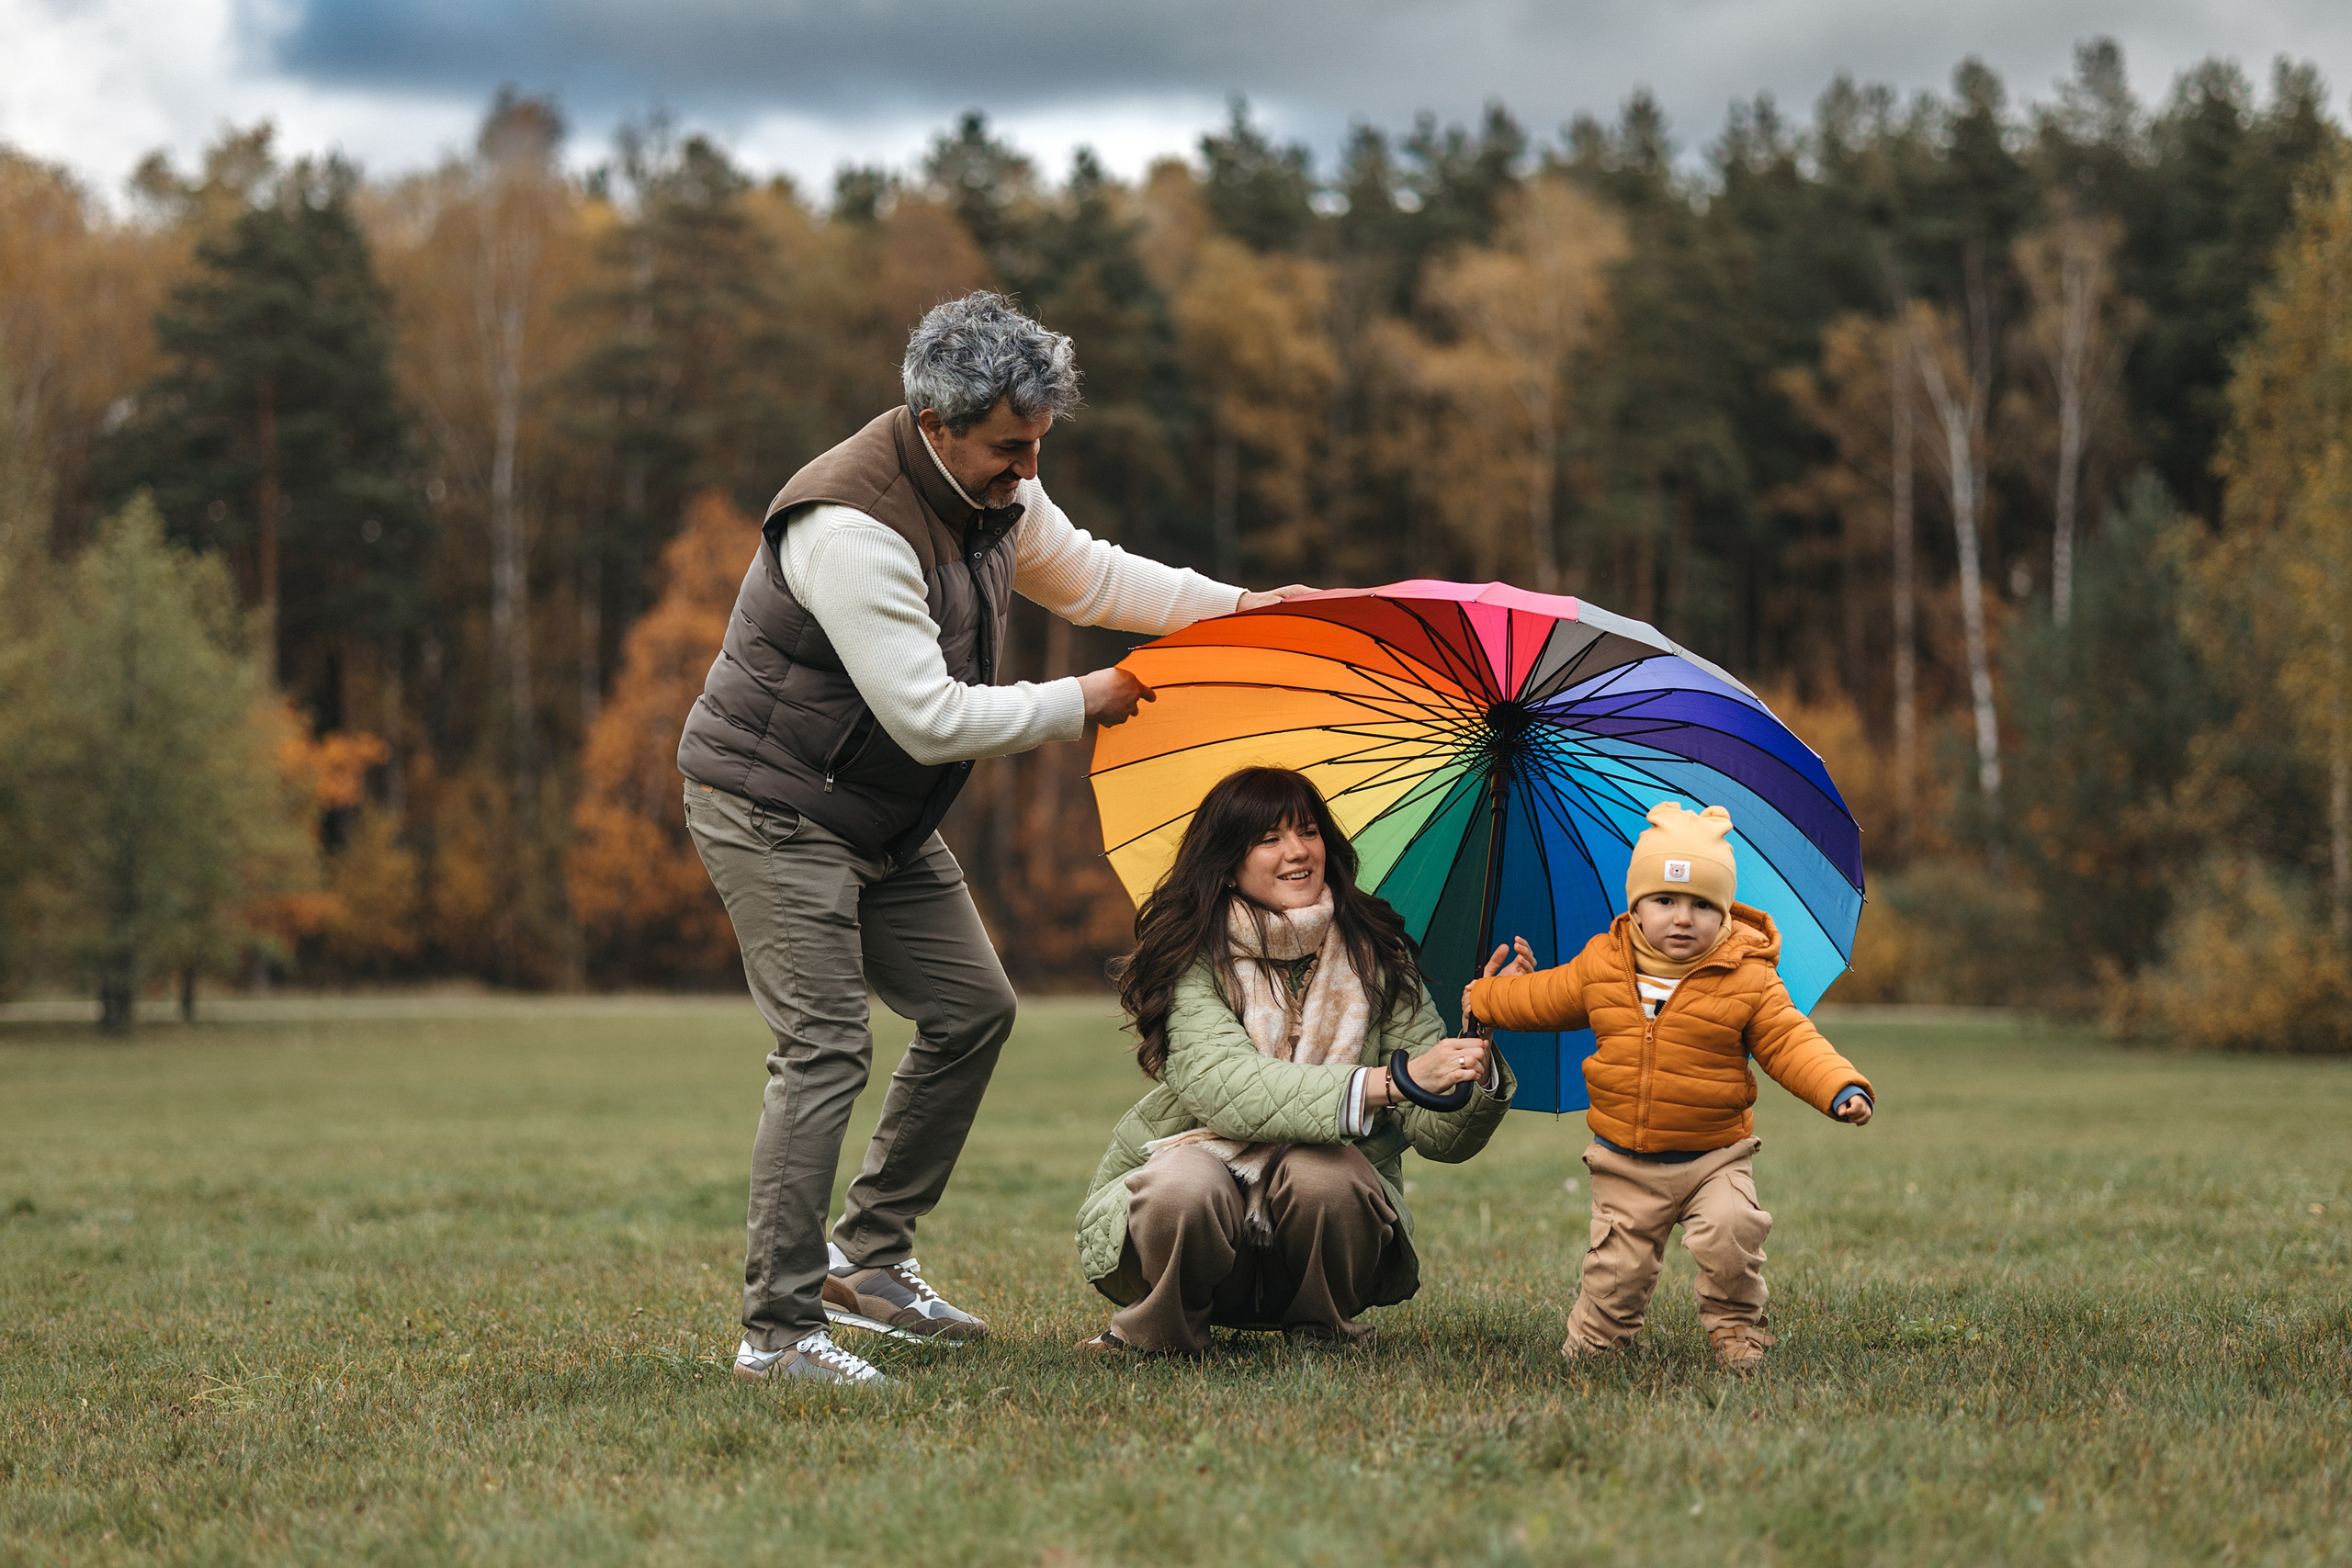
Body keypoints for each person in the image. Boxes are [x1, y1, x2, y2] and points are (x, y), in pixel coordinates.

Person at [678, 293, 1315, 1385]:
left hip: (877, 814)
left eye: (1037, 450)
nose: (1025, 472)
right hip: (773, 807)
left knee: (973, 1010)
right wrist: (1090, 696)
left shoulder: (994, 489)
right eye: (1008, 451)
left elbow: (1096, 575)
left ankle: (867, 1259)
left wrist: (1249, 608)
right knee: (826, 1047)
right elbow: (927, 716)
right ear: (935, 421)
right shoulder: (851, 528)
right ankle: (777, 1336)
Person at [1074, 767, 1514, 1354]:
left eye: (1307, 831)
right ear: (1227, 861)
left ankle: (1321, 1329)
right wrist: (1392, 1081)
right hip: (1200, 1232)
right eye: (1269, 838)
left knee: (1325, 1172)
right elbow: (1230, 1089)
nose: (1298, 851)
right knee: (1182, 1184)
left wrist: (1475, 1044)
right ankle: (1159, 1332)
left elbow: (1440, 1136)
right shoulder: (1193, 956)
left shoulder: (1377, 953)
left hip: (1321, 1246)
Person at [1463, 799, 1874, 1372]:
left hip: (1715, 1156)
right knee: (1616, 1272)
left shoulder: (1748, 975)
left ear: (1726, 912)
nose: (1683, 918)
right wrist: (1487, 997)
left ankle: (1737, 1333)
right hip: (1624, 1161)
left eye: (1702, 904)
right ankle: (1594, 1345)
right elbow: (1544, 997)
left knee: (1733, 1236)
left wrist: (1839, 1087)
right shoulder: (1603, 963)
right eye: (1665, 900)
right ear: (1635, 905)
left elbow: (1790, 1040)